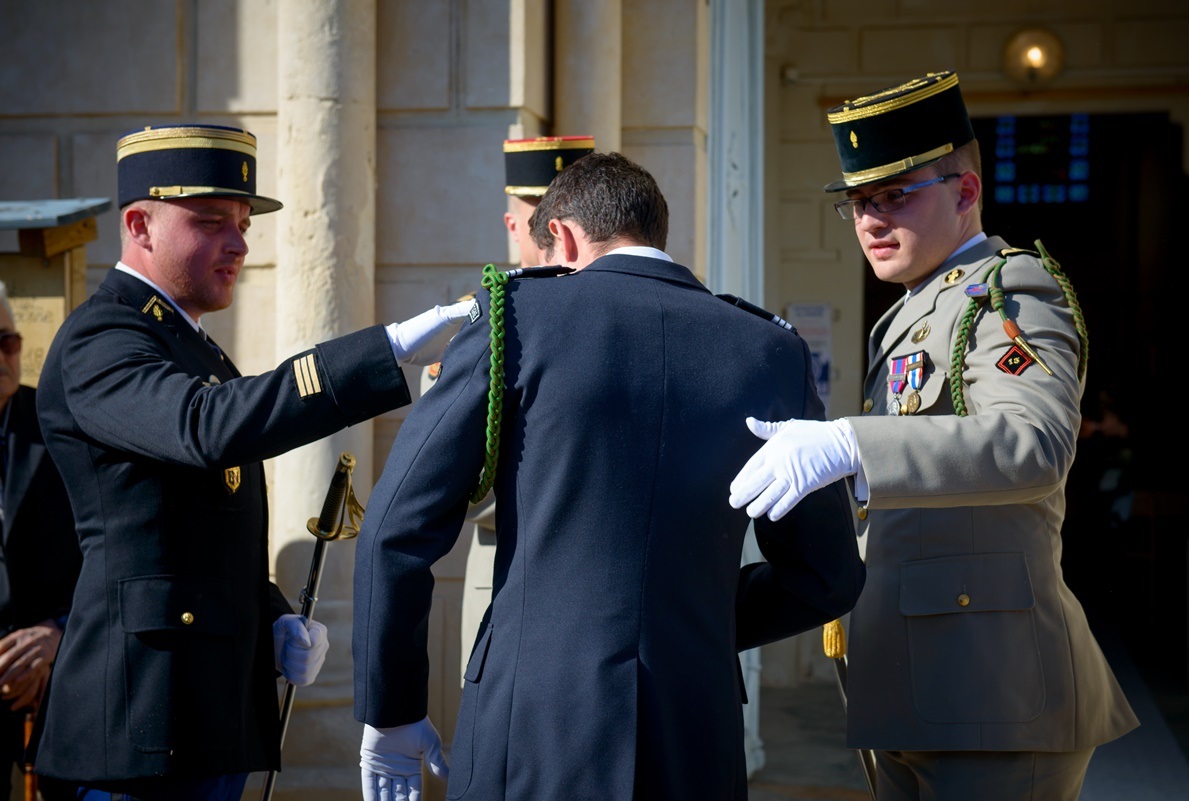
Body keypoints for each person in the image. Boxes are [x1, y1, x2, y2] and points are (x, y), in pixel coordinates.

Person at [353, 151, 866, 800]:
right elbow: (829, 577)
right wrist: (688, 618)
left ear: (560, 235)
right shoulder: (771, 349)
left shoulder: (515, 319)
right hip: (692, 718)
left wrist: (391, 709)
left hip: (531, 709)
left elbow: (396, 530)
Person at [28, 123, 472, 800]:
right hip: (138, 725)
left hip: (201, 717)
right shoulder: (103, 337)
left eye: (242, 222)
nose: (238, 243)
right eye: (210, 221)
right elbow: (205, 427)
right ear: (139, 224)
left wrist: (266, 614)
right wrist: (384, 350)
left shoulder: (189, 347)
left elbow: (187, 530)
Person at [728, 70, 1138, 800]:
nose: (872, 220)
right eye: (859, 202)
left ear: (965, 192)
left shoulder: (1009, 290)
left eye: (896, 195)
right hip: (922, 688)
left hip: (994, 696)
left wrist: (855, 444)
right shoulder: (921, 307)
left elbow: (1034, 444)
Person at [454, 134, 595, 681]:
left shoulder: (623, 319)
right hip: (508, 579)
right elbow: (461, 487)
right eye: (540, 213)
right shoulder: (478, 331)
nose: (551, 229)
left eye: (566, 212)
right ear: (514, 225)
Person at [0, 283, 80, 801]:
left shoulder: (60, 426)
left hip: (53, 689)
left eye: (7, 340)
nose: (2, 355)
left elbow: (106, 551)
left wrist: (57, 635)